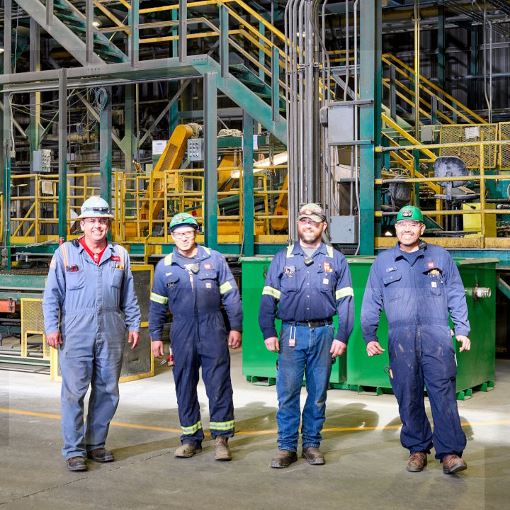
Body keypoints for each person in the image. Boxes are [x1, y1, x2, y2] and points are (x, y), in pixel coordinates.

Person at [361, 205, 470, 475]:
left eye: (413, 225)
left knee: (442, 394)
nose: (407, 229)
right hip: (401, 338)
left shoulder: (440, 257)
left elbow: (456, 293)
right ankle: (417, 449)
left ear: (422, 229)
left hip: (436, 336)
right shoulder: (384, 262)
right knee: (407, 395)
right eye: (402, 225)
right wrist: (369, 335)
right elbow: (371, 300)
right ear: (395, 229)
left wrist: (462, 329)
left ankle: (450, 453)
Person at [43, 196, 141, 472]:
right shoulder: (65, 254)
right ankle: (73, 450)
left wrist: (134, 324)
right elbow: (52, 295)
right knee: (74, 392)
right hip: (75, 331)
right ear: (82, 224)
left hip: (111, 329)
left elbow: (129, 295)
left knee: (108, 390)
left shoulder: (119, 255)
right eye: (92, 221)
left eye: (102, 221)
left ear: (108, 225)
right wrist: (52, 327)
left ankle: (95, 444)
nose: (98, 226)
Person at [259, 203, 354, 468]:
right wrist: (268, 331)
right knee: (287, 393)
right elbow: (268, 299)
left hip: (324, 333)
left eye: (314, 221)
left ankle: (311, 444)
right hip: (291, 333)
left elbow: (346, 302)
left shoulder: (336, 259)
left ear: (324, 226)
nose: (309, 225)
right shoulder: (283, 257)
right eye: (303, 221)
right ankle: (286, 447)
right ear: (297, 225)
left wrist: (342, 336)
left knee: (318, 393)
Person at [149, 212, 242, 461]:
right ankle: (190, 438)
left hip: (213, 326)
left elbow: (231, 297)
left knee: (219, 383)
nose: (184, 238)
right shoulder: (165, 267)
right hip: (182, 330)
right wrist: (156, 336)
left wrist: (235, 327)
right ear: (172, 236)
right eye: (179, 234)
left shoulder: (215, 259)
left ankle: (221, 439)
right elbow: (157, 305)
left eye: (188, 233)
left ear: (195, 233)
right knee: (185, 383)